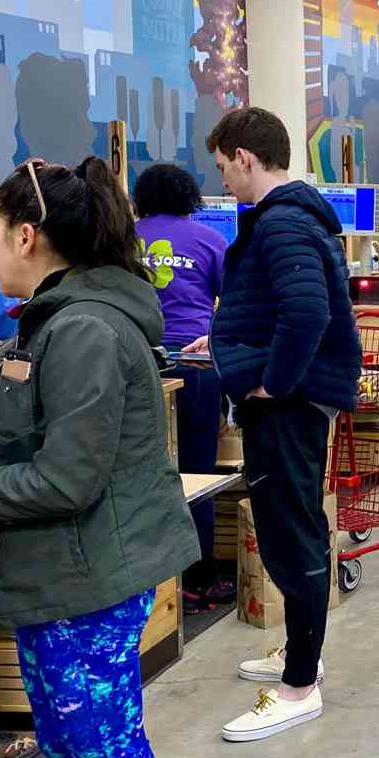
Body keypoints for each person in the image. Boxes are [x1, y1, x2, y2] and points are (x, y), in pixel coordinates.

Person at [0, 156, 201, 758]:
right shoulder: (62, 317)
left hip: (83, 585)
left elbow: (64, 477)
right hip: (67, 578)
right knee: (79, 753)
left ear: (27, 236)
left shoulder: (81, 327)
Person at [199, 107, 361, 742]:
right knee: (292, 525)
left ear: (244, 156)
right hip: (286, 400)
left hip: (286, 404)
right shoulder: (290, 219)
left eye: (222, 166)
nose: (222, 180)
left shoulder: (283, 222)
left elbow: (307, 309)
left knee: (291, 531)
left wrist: (275, 381)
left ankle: (298, 687)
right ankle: (303, 652)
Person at [133, 163, 232, 614]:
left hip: (138, 365)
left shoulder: (123, 241)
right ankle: (199, 578)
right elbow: (232, 305)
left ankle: (155, 586)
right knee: (197, 471)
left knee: (142, 472)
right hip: (195, 363)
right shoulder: (210, 240)